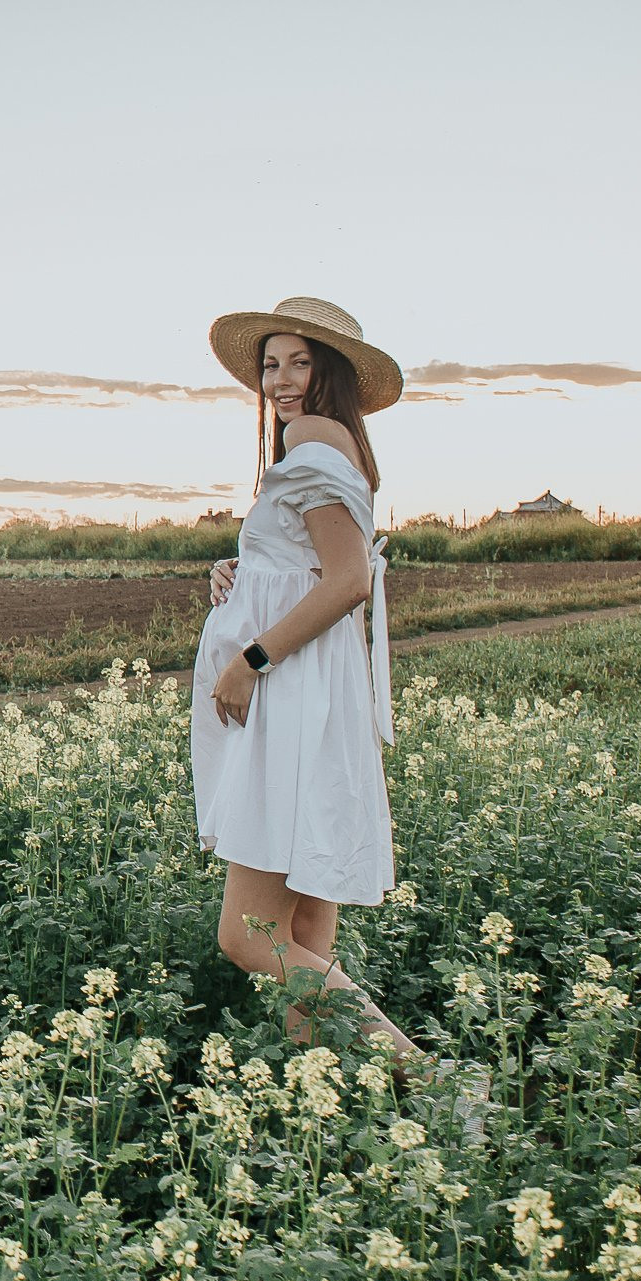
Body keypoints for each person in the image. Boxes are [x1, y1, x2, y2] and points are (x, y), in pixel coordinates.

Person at [190, 296, 431, 1075]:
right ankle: (316, 1122)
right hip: (314, 702)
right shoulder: (330, 449)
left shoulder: (310, 440)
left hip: (287, 701)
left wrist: (248, 660)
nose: (282, 380)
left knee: (247, 936)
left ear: (328, 373)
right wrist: (243, 567)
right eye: (270, 364)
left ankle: (424, 1074)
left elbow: (349, 579)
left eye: (299, 362)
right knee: (303, 937)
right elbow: (312, 562)